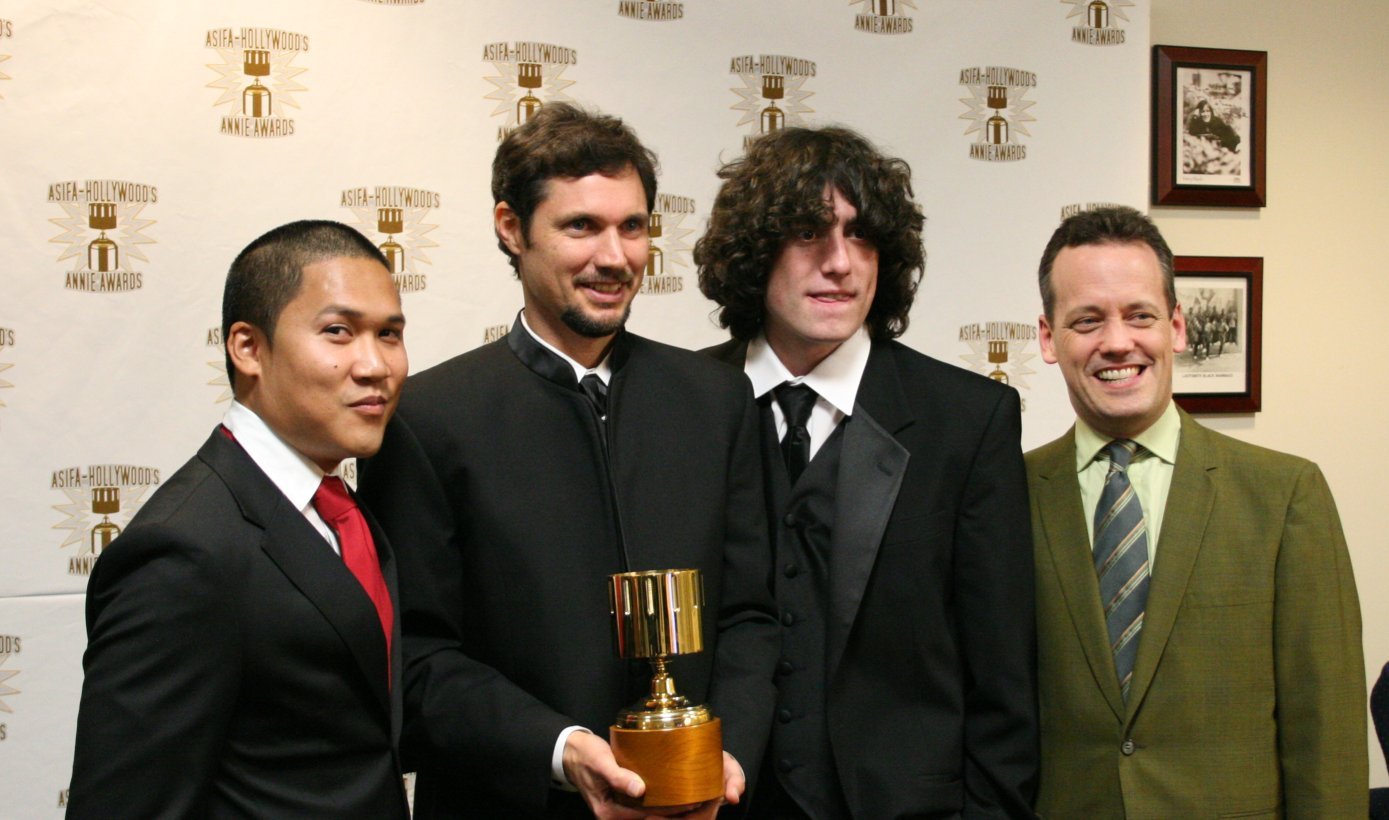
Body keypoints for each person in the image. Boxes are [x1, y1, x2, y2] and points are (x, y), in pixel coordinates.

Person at [357, 103, 777, 819]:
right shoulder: (425, 421)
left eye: (633, 227)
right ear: (511, 229)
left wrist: (722, 754)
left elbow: (752, 615)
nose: (613, 258)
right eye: (580, 226)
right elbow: (417, 660)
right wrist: (560, 749)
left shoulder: (717, 400)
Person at [695, 125, 1037, 819]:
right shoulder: (679, 406)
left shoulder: (968, 421)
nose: (840, 264)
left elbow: (1003, 680)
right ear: (753, 251)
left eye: (861, 237)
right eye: (807, 235)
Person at [1029, 205, 1367, 816]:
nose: (1117, 342)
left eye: (1140, 315)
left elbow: (1328, 731)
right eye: (1086, 320)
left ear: (1177, 328)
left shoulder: (1286, 494)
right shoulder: (1005, 495)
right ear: (1049, 338)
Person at [68, 220, 411, 817]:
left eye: (389, 334)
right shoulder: (183, 550)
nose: (375, 364)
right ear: (248, 348)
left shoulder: (341, 507)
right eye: (338, 332)